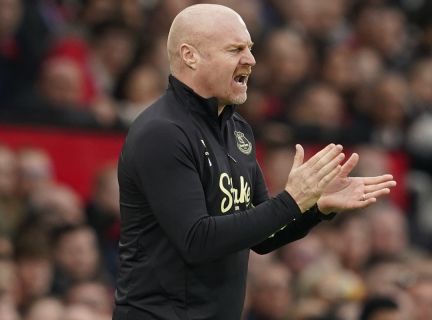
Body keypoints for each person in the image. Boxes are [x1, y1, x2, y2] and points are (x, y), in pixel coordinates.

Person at [113, 4, 396, 320]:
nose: (250, 59)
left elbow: (262, 237)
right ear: (190, 56)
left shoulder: (238, 130)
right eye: (235, 49)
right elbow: (197, 240)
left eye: (249, 48)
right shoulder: (162, 132)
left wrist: (316, 208)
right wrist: (292, 201)